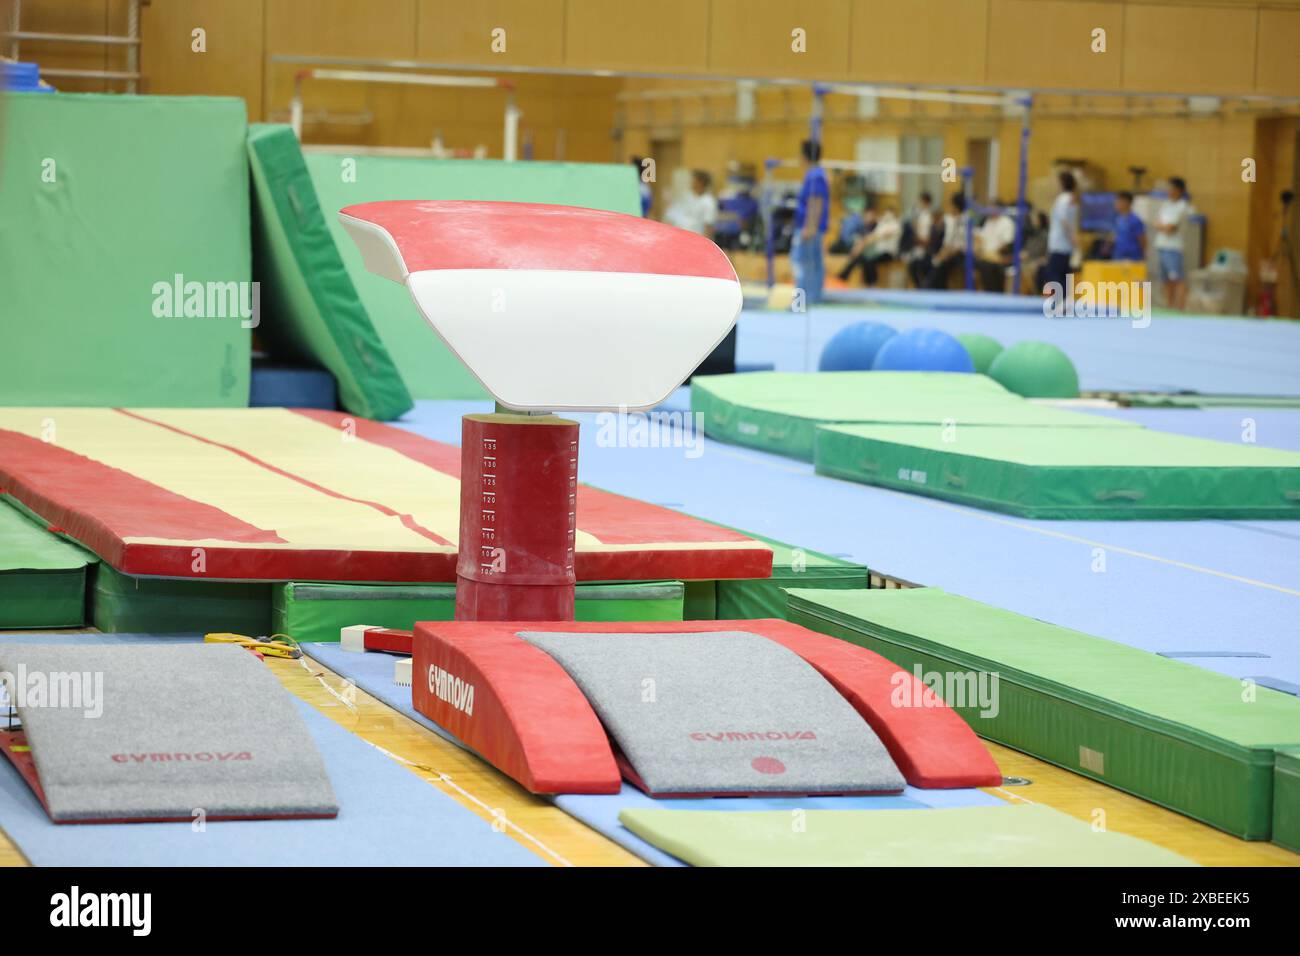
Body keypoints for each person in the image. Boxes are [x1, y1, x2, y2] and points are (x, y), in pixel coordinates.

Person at [791, 138, 830, 304]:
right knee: (812, 263)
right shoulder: (816, 174)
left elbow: (816, 201)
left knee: (802, 263)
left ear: (804, 156)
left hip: (809, 228)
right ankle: (812, 300)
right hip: (811, 226)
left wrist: (810, 227)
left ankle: (802, 303)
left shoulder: (815, 175)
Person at [838, 205, 901, 286]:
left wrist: (863, 244)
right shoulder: (881, 225)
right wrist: (860, 245)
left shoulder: (896, 225)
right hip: (877, 251)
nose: (887, 215)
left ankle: (872, 282)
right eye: (886, 213)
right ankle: (843, 277)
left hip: (888, 253)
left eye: (889, 213)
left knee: (869, 259)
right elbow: (871, 236)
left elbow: (879, 236)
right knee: (861, 257)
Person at [1154, 177, 1191, 310]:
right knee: (1166, 279)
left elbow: (1170, 228)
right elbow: (1157, 223)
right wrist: (1162, 226)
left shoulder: (1182, 206)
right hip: (1162, 246)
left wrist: (1163, 226)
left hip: (1174, 248)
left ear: (1179, 190)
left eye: (1171, 188)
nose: (1168, 191)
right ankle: (1169, 306)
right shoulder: (1166, 204)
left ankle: (1181, 307)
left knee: (1178, 278)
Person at [1043, 170, 1078, 295]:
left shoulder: (1063, 199)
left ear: (1062, 183)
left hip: (1060, 243)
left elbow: (1064, 221)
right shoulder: (1069, 198)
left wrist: (1071, 237)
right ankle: (1064, 300)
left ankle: (1061, 300)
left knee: (1054, 273)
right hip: (1064, 243)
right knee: (1063, 273)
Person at [924, 192, 969, 290]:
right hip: (950, 252)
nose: (950, 208)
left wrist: (943, 256)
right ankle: (935, 289)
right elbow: (947, 243)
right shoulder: (951, 220)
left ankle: (927, 289)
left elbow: (959, 246)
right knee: (932, 262)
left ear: (956, 207)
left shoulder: (966, 220)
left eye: (951, 206)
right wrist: (940, 256)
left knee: (939, 265)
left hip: (961, 254)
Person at [975, 200, 1017, 293]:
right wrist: (979, 249)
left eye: (992, 208)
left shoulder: (1007, 222)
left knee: (987, 266)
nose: (989, 210)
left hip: (999, 255)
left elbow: (1007, 244)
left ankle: (994, 292)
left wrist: (992, 253)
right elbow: (981, 237)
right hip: (985, 254)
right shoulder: (988, 221)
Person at [663, 169, 718, 238]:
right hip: (682, 236)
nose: (691, 182)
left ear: (700, 182)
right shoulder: (688, 196)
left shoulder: (708, 202)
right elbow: (676, 214)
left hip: (697, 239)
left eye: (694, 180)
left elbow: (708, 226)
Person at [1110, 190, 1146, 262]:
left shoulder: (1135, 220)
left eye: (1118, 202)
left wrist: (1143, 255)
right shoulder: (1118, 218)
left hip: (1132, 256)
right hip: (1118, 254)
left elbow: (1142, 239)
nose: (1115, 204)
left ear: (1126, 202)